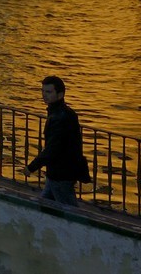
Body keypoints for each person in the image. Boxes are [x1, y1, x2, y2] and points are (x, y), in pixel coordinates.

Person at [25, 75, 91, 206]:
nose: (44, 95)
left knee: (69, 210)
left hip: (61, 173)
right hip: (58, 173)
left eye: (48, 92)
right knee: (45, 205)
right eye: (43, 91)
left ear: (60, 94)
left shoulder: (59, 117)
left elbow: (52, 148)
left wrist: (32, 167)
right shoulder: (63, 113)